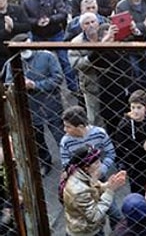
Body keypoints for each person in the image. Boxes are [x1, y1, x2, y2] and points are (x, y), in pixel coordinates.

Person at [5, 34, 63, 176]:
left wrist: (35, 85)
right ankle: (46, 161)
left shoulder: (47, 56)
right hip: (29, 107)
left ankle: (70, 161)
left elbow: (58, 78)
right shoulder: (11, 62)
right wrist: (19, 85)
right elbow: (8, 83)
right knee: (37, 139)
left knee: (60, 134)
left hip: (51, 104)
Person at [60, 146, 127, 236]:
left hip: (91, 227)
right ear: (86, 167)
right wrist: (110, 191)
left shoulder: (83, 174)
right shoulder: (78, 190)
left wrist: (110, 184)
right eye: (96, 163)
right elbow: (94, 215)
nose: (100, 165)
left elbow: (95, 187)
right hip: (85, 232)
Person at [113, 90, 146, 195]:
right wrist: (142, 146)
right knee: (138, 193)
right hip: (134, 165)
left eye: (139, 107)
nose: (135, 111)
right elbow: (121, 147)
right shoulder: (124, 124)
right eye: (133, 107)